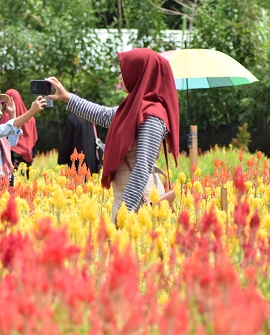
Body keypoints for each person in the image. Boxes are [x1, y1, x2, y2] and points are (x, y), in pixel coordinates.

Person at [46, 48, 180, 223]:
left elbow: (142, 167)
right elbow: (103, 114)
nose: (120, 77)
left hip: (139, 201)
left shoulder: (152, 115)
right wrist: (66, 97)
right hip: (128, 197)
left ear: (139, 74)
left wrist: (125, 214)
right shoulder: (133, 108)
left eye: (125, 71)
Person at [0, 89, 38, 170]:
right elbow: (33, 136)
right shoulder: (30, 118)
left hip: (12, 157)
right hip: (29, 155)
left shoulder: (6, 118)